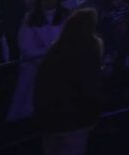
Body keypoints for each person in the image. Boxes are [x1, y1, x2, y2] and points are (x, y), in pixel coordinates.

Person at [34, 8, 103, 155]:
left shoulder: (55, 50)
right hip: (74, 118)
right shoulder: (88, 51)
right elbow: (88, 87)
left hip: (48, 116)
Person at [8, 0, 67, 122]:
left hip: (59, 63)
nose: (49, 1)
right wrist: (45, 57)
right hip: (34, 65)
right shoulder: (30, 18)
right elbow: (25, 46)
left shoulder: (64, 16)